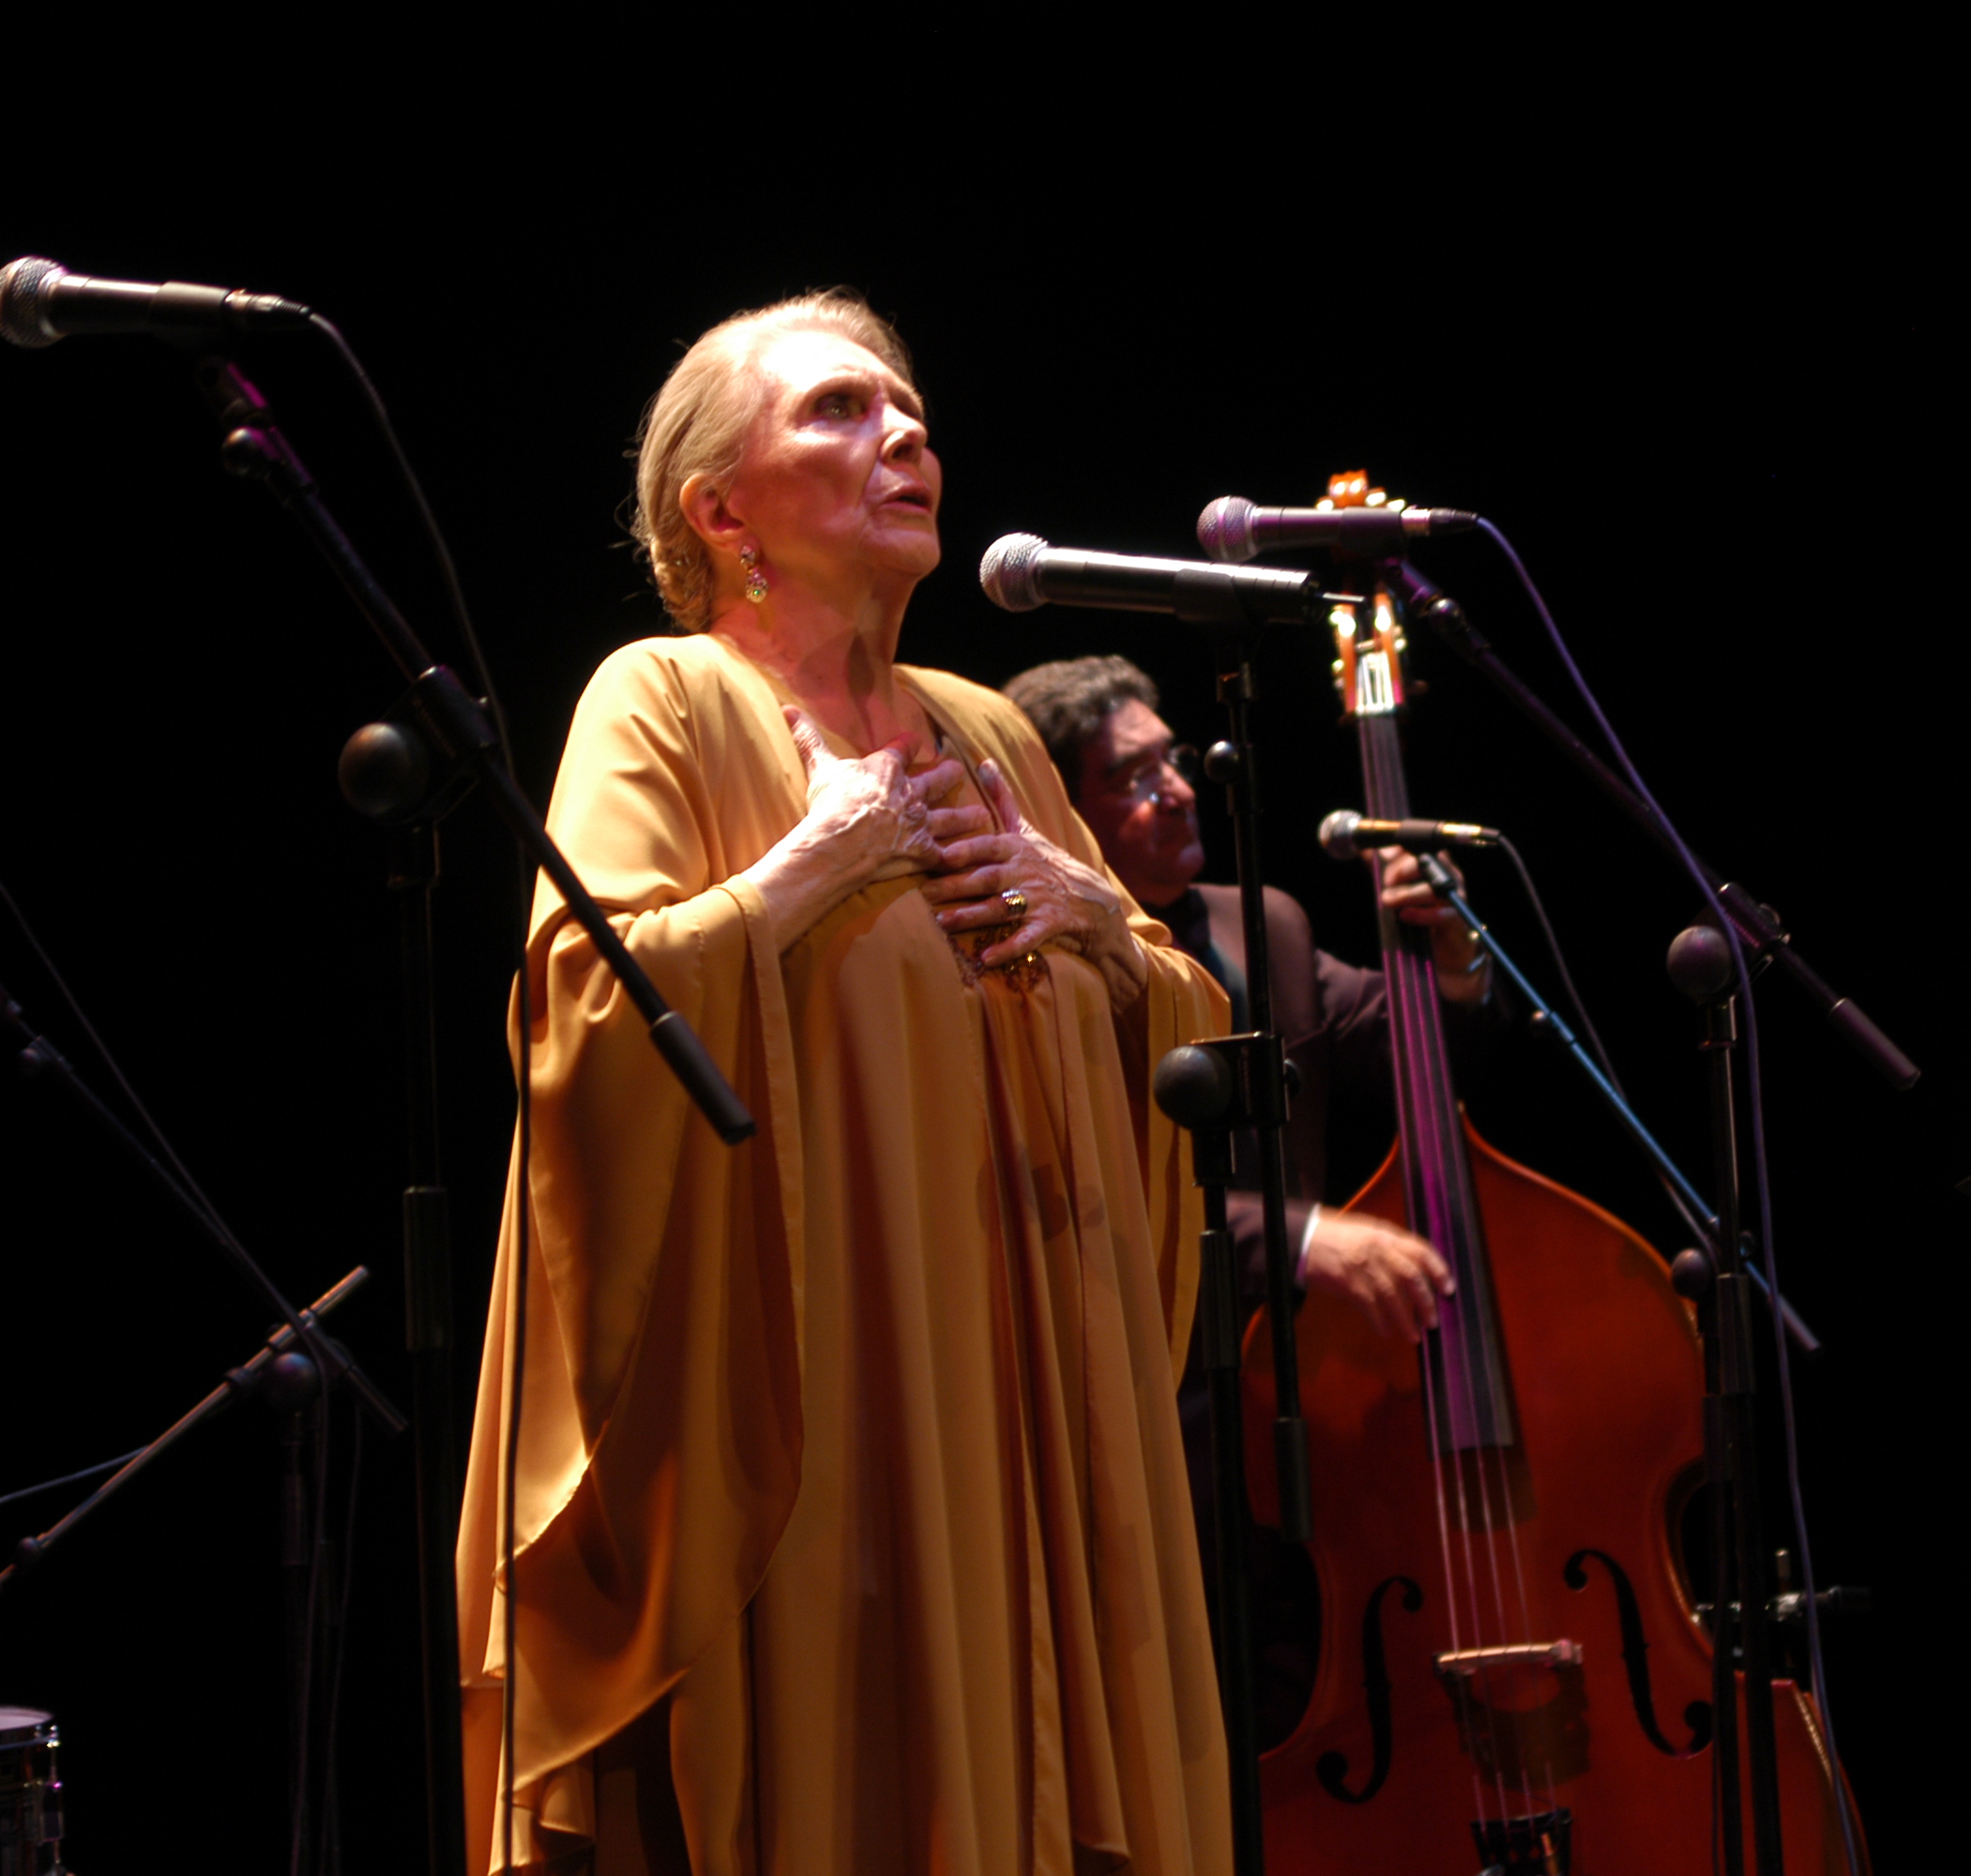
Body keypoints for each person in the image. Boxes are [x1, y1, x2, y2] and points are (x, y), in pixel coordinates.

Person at [455, 295, 1231, 1875]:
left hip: (1016, 1402)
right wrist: (802, 876)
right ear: (719, 510)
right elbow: (581, 1015)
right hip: (805, 1415)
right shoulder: (660, 698)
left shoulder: (994, 734)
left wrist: (1101, 932)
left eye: (913, 411)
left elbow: (1178, 1027)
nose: (904, 435)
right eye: (837, 409)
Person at [1002, 656, 1484, 1348]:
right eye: (1132, 778)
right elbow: (1096, 1196)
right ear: (1060, 813)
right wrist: (1303, 1238)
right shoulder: (1043, 970)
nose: (1177, 793)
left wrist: (1455, 956)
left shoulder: (1265, 924)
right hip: (1147, 1365)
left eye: (1172, 761)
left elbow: (1410, 1056)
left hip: (1299, 1354)